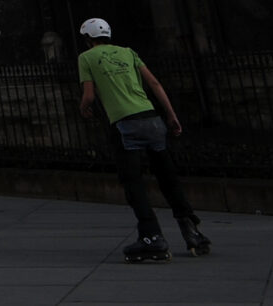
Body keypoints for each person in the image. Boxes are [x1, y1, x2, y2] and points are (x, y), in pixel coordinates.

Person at [76, 18, 206, 261]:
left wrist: (83, 108)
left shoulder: (86, 58)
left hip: (124, 123)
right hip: (151, 118)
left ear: (87, 38)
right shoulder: (128, 52)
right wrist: (171, 115)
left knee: (133, 182)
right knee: (167, 177)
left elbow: (89, 95)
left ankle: (152, 236)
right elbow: (154, 83)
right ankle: (192, 232)